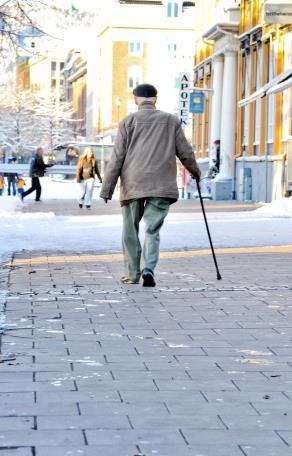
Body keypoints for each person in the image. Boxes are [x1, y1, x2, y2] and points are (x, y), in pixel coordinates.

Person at [100, 83, 201, 287]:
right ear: (155, 99)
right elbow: (185, 153)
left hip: (133, 183)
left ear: (135, 99)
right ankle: (149, 268)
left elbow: (117, 157)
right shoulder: (171, 121)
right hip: (161, 184)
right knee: (152, 229)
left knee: (130, 229)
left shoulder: (128, 122)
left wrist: (107, 188)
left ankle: (131, 273)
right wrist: (195, 172)